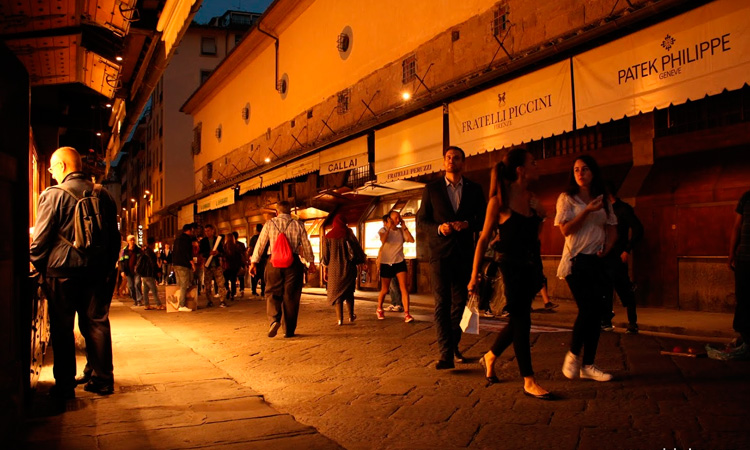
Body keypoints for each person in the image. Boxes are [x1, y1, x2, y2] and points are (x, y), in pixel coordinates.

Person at [29, 146, 120, 398]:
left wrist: (39, 266)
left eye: (52, 168)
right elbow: (115, 238)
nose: (52, 173)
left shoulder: (53, 195)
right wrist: (106, 266)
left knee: (62, 327)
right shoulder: (103, 194)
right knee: (97, 323)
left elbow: (40, 240)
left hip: (62, 273)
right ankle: (102, 379)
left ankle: (66, 385)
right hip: (97, 273)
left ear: (63, 166)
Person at [467, 149, 551, 399]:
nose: (537, 165)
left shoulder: (533, 199)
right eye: (533, 162)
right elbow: (483, 240)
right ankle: (529, 380)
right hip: (510, 269)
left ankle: (490, 356)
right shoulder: (499, 201)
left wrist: (542, 215)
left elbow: (535, 238)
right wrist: (474, 276)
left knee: (517, 320)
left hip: (531, 266)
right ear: (520, 170)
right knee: (522, 321)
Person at [417, 146, 486, 370]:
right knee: (441, 303)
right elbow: (421, 221)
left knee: (461, 303)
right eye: (448, 157)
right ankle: (446, 354)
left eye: (456, 158)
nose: (451, 161)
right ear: (443, 161)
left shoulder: (474, 189)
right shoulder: (432, 189)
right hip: (439, 254)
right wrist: (439, 228)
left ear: (462, 163)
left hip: (464, 253)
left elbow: (484, 218)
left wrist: (467, 224)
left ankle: (453, 344)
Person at [555, 155, 617, 382]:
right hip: (576, 260)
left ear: (593, 172)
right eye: (576, 170)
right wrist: (587, 211)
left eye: (585, 169)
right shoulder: (567, 198)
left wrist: (608, 247)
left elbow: (612, 227)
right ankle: (573, 354)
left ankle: (588, 364)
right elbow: (565, 230)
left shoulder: (604, 199)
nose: (580, 173)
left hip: (597, 260)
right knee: (587, 309)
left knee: (598, 313)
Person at [249, 201, 315, 338]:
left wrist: (253, 262)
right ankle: (289, 330)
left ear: (277, 212)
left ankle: (274, 320)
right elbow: (306, 244)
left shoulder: (270, 223)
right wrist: (311, 261)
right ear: (290, 212)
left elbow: (260, 244)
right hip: (293, 263)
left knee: (272, 292)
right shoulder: (298, 224)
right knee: (291, 296)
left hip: (273, 262)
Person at [601, 180, 643, 333]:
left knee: (624, 287)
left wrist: (627, 249)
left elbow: (638, 229)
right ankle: (605, 320)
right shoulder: (603, 210)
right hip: (604, 254)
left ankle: (632, 322)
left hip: (618, 255)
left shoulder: (623, 209)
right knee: (604, 288)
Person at [321, 214, 363, 325]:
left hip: (334, 269)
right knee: (349, 292)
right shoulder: (349, 233)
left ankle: (339, 319)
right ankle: (351, 316)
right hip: (349, 268)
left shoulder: (328, 236)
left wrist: (325, 270)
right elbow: (357, 248)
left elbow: (326, 256)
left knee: (337, 294)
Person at [375, 211, 415, 323]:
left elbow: (411, 240)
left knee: (404, 288)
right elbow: (383, 240)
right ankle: (379, 308)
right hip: (386, 262)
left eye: (399, 218)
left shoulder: (401, 231)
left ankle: (407, 314)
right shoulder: (383, 230)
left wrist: (404, 227)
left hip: (399, 262)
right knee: (385, 289)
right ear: (390, 219)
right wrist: (389, 227)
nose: (398, 219)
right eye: (396, 218)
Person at [729, 189, 750, 348]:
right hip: (744, 259)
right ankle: (746, 339)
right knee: (743, 299)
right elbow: (737, 227)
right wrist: (731, 254)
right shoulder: (746, 197)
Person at [200, 224, 228, 308]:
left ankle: (222, 300)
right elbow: (201, 253)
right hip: (207, 265)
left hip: (216, 265)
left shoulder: (218, 240)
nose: (207, 233)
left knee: (221, 283)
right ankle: (209, 300)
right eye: (205, 231)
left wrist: (218, 253)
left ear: (213, 230)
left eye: (208, 231)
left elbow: (223, 252)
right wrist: (208, 253)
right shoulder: (203, 241)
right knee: (207, 284)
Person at [172, 223, 196, 312]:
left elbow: (173, 252)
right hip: (183, 264)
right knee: (184, 285)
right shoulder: (187, 240)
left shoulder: (177, 239)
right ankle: (182, 305)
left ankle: (178, 303)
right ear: (189, 230)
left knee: (179, 284)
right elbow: (188, 253)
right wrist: (192, 264)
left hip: (176, 264)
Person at [136, 236, 164, 310]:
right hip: (149, 273)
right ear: (152, 244)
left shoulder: (144, 251)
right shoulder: (150, 253)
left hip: (144, 273)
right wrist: (157, 272)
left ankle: (146, 304)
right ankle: (159, 304)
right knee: (154, 290)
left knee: (145, 290)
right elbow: (153, 264)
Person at [118, 235, 143, 306]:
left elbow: (141, 259)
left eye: (133, 240)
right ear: (128, 241)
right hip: (128, 271)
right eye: (131, 240)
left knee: (137, 283)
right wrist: (122, 271)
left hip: (137, 271)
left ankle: (139, 300)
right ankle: (135, 299)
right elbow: (122, 261)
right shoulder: (124, 251)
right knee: (131, 286)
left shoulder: (138, 250)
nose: (132, 242)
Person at [223, 232, 244, 301]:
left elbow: (222, 256)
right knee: (233, 280)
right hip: (234, 266)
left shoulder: (224, 247)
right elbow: (239, 257)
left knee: (225, 280)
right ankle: (233, 293)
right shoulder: (236, 247)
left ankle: (227, 289)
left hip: (226, 266)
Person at [248, 224, 267, 297]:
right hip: (264, 259)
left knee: (254, 275)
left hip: (255, 259)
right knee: (263, 276)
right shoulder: (265, 237)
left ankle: (254, 290)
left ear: (256, 230)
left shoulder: (253, 238)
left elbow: (251, 248)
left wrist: (249, 258)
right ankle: (263, 291)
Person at [233, 231, 248, 297]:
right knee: (241, 277)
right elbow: (245, 254)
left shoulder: (230, 245)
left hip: (233, 263)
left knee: (233, 277)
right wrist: (246, 261)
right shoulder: (241, 244)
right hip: (241, 262)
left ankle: (234, 292)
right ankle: (242, 290)